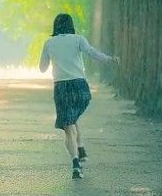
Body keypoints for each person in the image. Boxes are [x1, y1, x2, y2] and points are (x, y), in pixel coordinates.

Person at [39, 13, 117, 179]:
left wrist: (53, 57)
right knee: (72, 119)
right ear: (71, 25)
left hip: (61, 87)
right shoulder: (78, 39)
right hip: (80, 86)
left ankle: (75, 162)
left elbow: (42, 68)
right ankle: (81, 148)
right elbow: (92, 53)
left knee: (68, 127)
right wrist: (109, 60)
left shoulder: (49, 43)